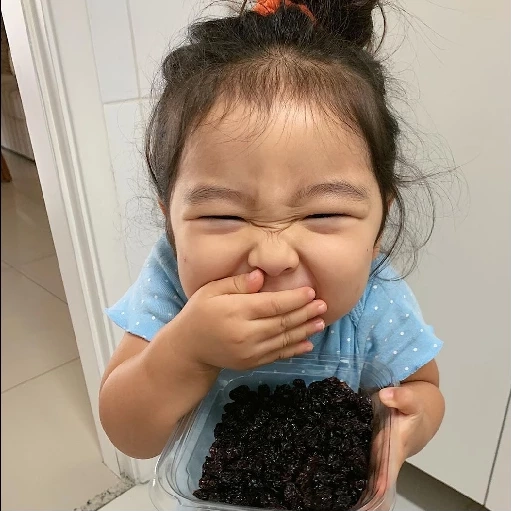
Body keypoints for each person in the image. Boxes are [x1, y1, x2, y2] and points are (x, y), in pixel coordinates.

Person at [99, 0, 445, 488]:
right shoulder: (172, 289)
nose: (274, 256)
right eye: (223, 215)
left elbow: (422, 386)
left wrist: (412, 422)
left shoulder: (375, 298)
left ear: (379, 225)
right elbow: (128, 434)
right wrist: (185, 353)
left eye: (322, 214)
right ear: (171, 224)